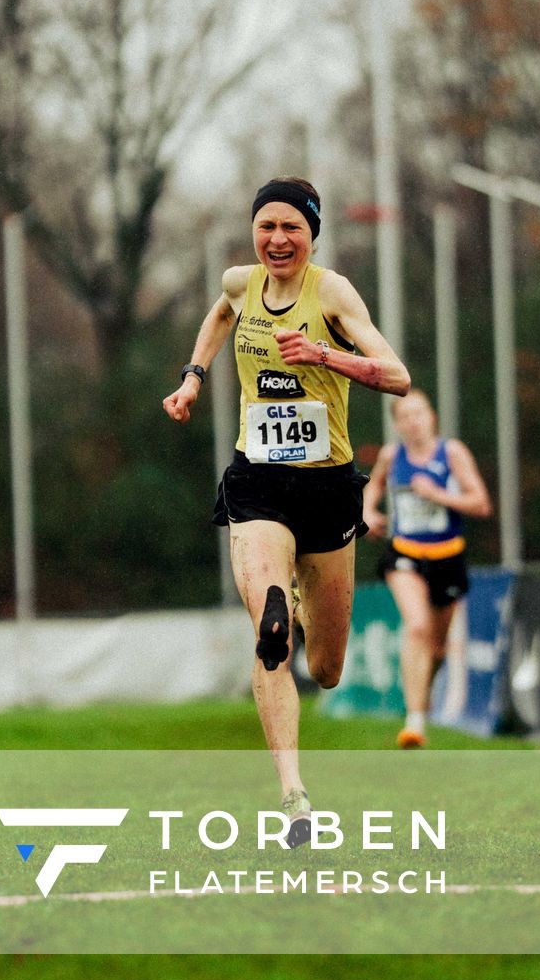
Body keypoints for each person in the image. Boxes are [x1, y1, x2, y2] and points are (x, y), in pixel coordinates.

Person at [163, 178, 410, 844]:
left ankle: (294, 610)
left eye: (291, 229)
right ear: (254, 232)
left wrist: (325, 353)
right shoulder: (240, 284)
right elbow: (219, 314)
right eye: (266, 227)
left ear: (312, 235)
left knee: (326, 668)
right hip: (258, 481)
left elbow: (398, 375)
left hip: (327, 488)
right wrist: (193, 377)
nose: (276, 240)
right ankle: (294, 794)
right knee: (268, 627)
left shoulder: (331, 294)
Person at [361, 389, 492, 748]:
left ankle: (424, 691)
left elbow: (480, 503)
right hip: (405, 552)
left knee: (437, 646)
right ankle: (415, 720)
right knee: (416, 628)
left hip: (447, 555)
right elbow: (373, 486)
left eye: (419, 414)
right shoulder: (392, 455)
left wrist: (438, 495)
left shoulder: (452, 453)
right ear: (397, 424)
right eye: (405, 416)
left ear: (432, 416)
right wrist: (368, 512)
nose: (413, 422)